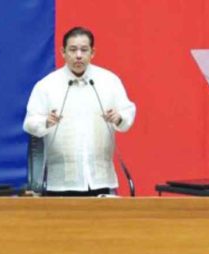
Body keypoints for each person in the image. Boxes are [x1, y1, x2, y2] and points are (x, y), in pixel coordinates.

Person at [23, 26, 136, 196]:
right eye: (73, 49)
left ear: (93, 52)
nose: (78, 55)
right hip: (59, 182)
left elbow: (127, 114)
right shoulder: (46, 85)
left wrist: (119, 118)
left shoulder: (109, 81)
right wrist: (46, 121)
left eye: (84, 50)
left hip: (101, 180)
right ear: (63, 52)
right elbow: (30, 124)